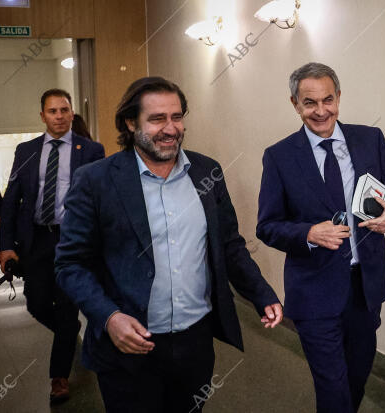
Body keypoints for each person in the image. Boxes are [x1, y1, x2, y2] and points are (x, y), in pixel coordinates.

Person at [55, 76, 283, 413]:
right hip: (129, 347)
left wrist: (261, 293)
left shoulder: (207, 172)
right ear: (131, 123)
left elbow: (229, 244)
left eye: (177, 117)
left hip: (195, 342)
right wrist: (109, 317)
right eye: (157, 119)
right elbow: (70, 264)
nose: (170, 128)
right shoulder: (96, 180)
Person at [256, 62, 385, 413]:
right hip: (313, 292)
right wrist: (308, 233)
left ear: (339, 97)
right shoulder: (279, 157)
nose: (321, 110)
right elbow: (266, 226)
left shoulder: (369, 140)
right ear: (295, 104)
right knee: (332, 386)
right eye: (310, 103)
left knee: (356, 378)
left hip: (365, 289)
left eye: (328, 100)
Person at [0, 89, 105, 402]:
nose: (59, 116)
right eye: (52, 111)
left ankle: (59, 378)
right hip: (36, 239)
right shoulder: (26, 150)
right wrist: (6, 246)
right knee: (37, 303)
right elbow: (10, 200)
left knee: (68, 305)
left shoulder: (92, 150)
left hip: (74, 239)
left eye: (64, 110)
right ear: (42, 115)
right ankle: (68, 334)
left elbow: (101, 199)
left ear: (72, 113)